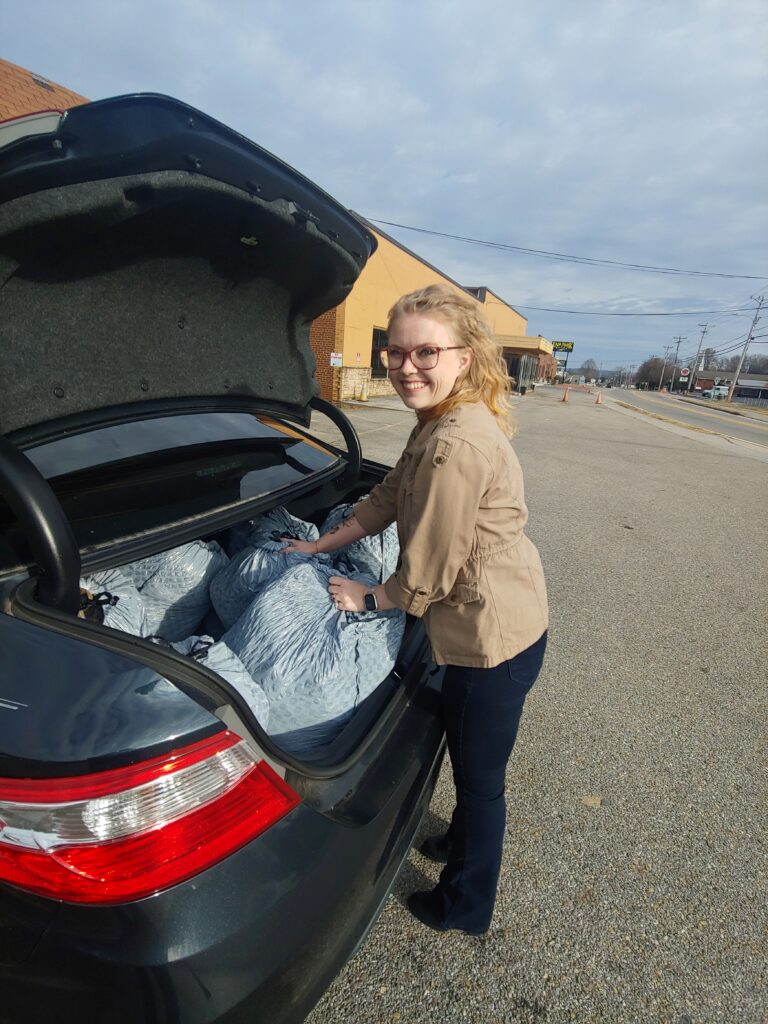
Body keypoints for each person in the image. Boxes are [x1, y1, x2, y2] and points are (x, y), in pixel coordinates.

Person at [282, 284, 548, 935]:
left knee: (482, 780)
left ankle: (465, 906)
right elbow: (387, 497)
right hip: (492, 620)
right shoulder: (440, 423)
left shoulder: (455, 447)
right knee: (467, 754)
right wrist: (321, 541)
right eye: (395, 352)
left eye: (425, 351)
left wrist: (366, 597)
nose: (405, 366)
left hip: (493, 640)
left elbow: (424, 574)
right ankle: (457, 845)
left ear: (464, 357)